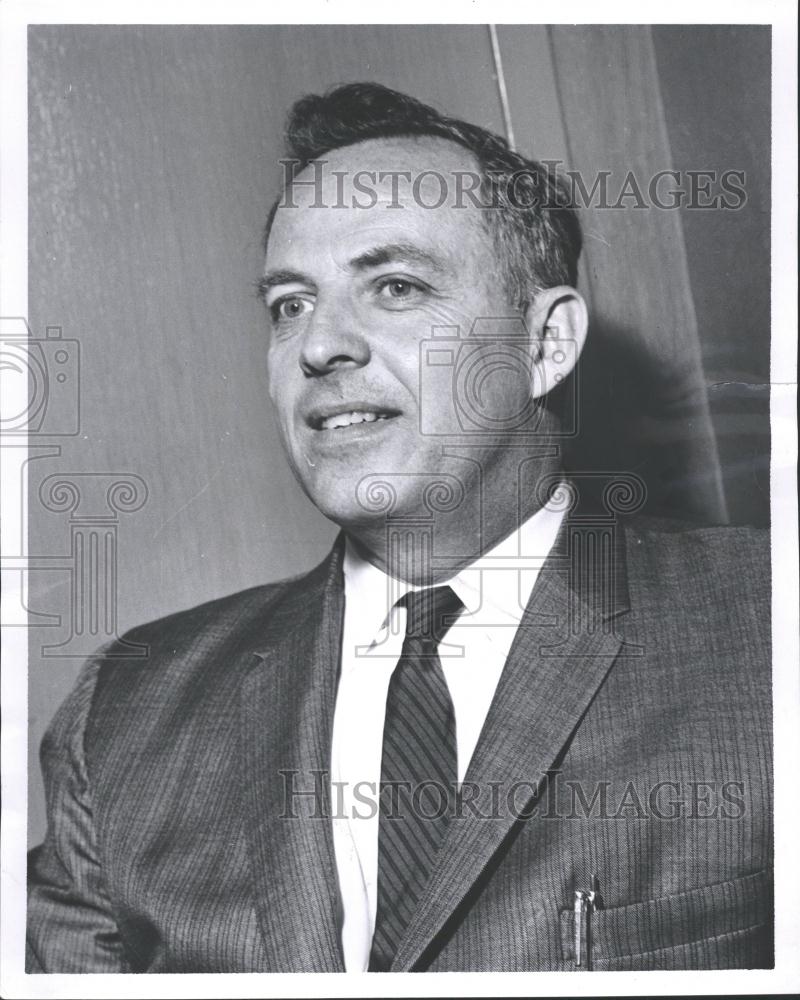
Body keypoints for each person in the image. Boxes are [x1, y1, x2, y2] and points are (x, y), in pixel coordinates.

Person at [26, 82, 772, 973]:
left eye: (396, 285)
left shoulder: (768, 632)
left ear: (545, 344)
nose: (319, 346)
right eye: (289, 304)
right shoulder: (125, 713)